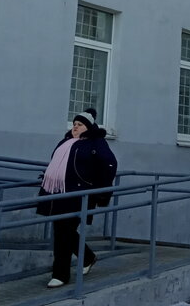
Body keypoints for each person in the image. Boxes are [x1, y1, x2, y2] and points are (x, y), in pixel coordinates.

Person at [36, 108, 117, 288]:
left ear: (88, 127)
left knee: (63, 232)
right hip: (58, 193)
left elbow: (109, 165)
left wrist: (100, 191)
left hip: (79, 194)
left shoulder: (96, 142)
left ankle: (61, 275)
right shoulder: (66, 141)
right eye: (74, 124)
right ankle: (88, 257)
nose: (75, 127)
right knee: (63, 230)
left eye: (80, 124)